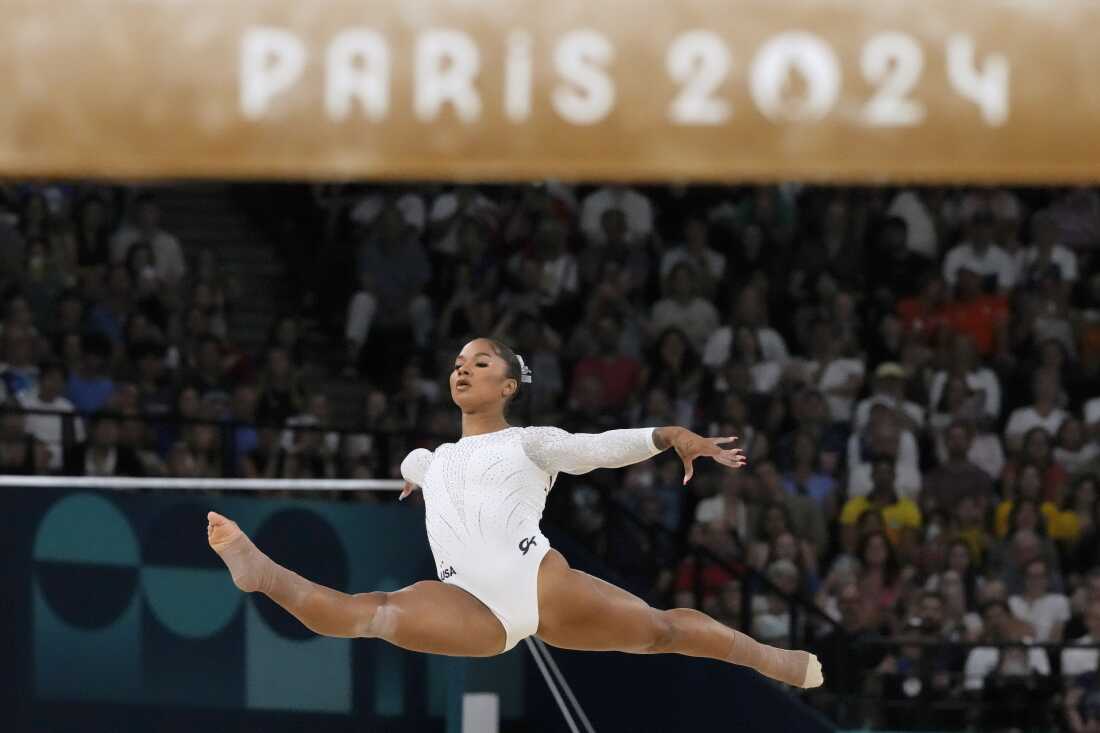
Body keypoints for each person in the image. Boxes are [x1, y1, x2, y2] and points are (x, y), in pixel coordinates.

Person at [207, 337, 823, 689]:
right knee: (366, 615)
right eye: (458, 363)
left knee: (661, 632)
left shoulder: (529, 441)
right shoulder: (433, 458)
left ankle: (774, 661)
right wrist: (414, 475)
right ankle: (259, 571)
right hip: (470, 604)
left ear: (508, 386)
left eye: (480, 363)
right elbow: (415, 463)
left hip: (539, 582)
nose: (463, 368)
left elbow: (596, 450)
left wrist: (668, 435)